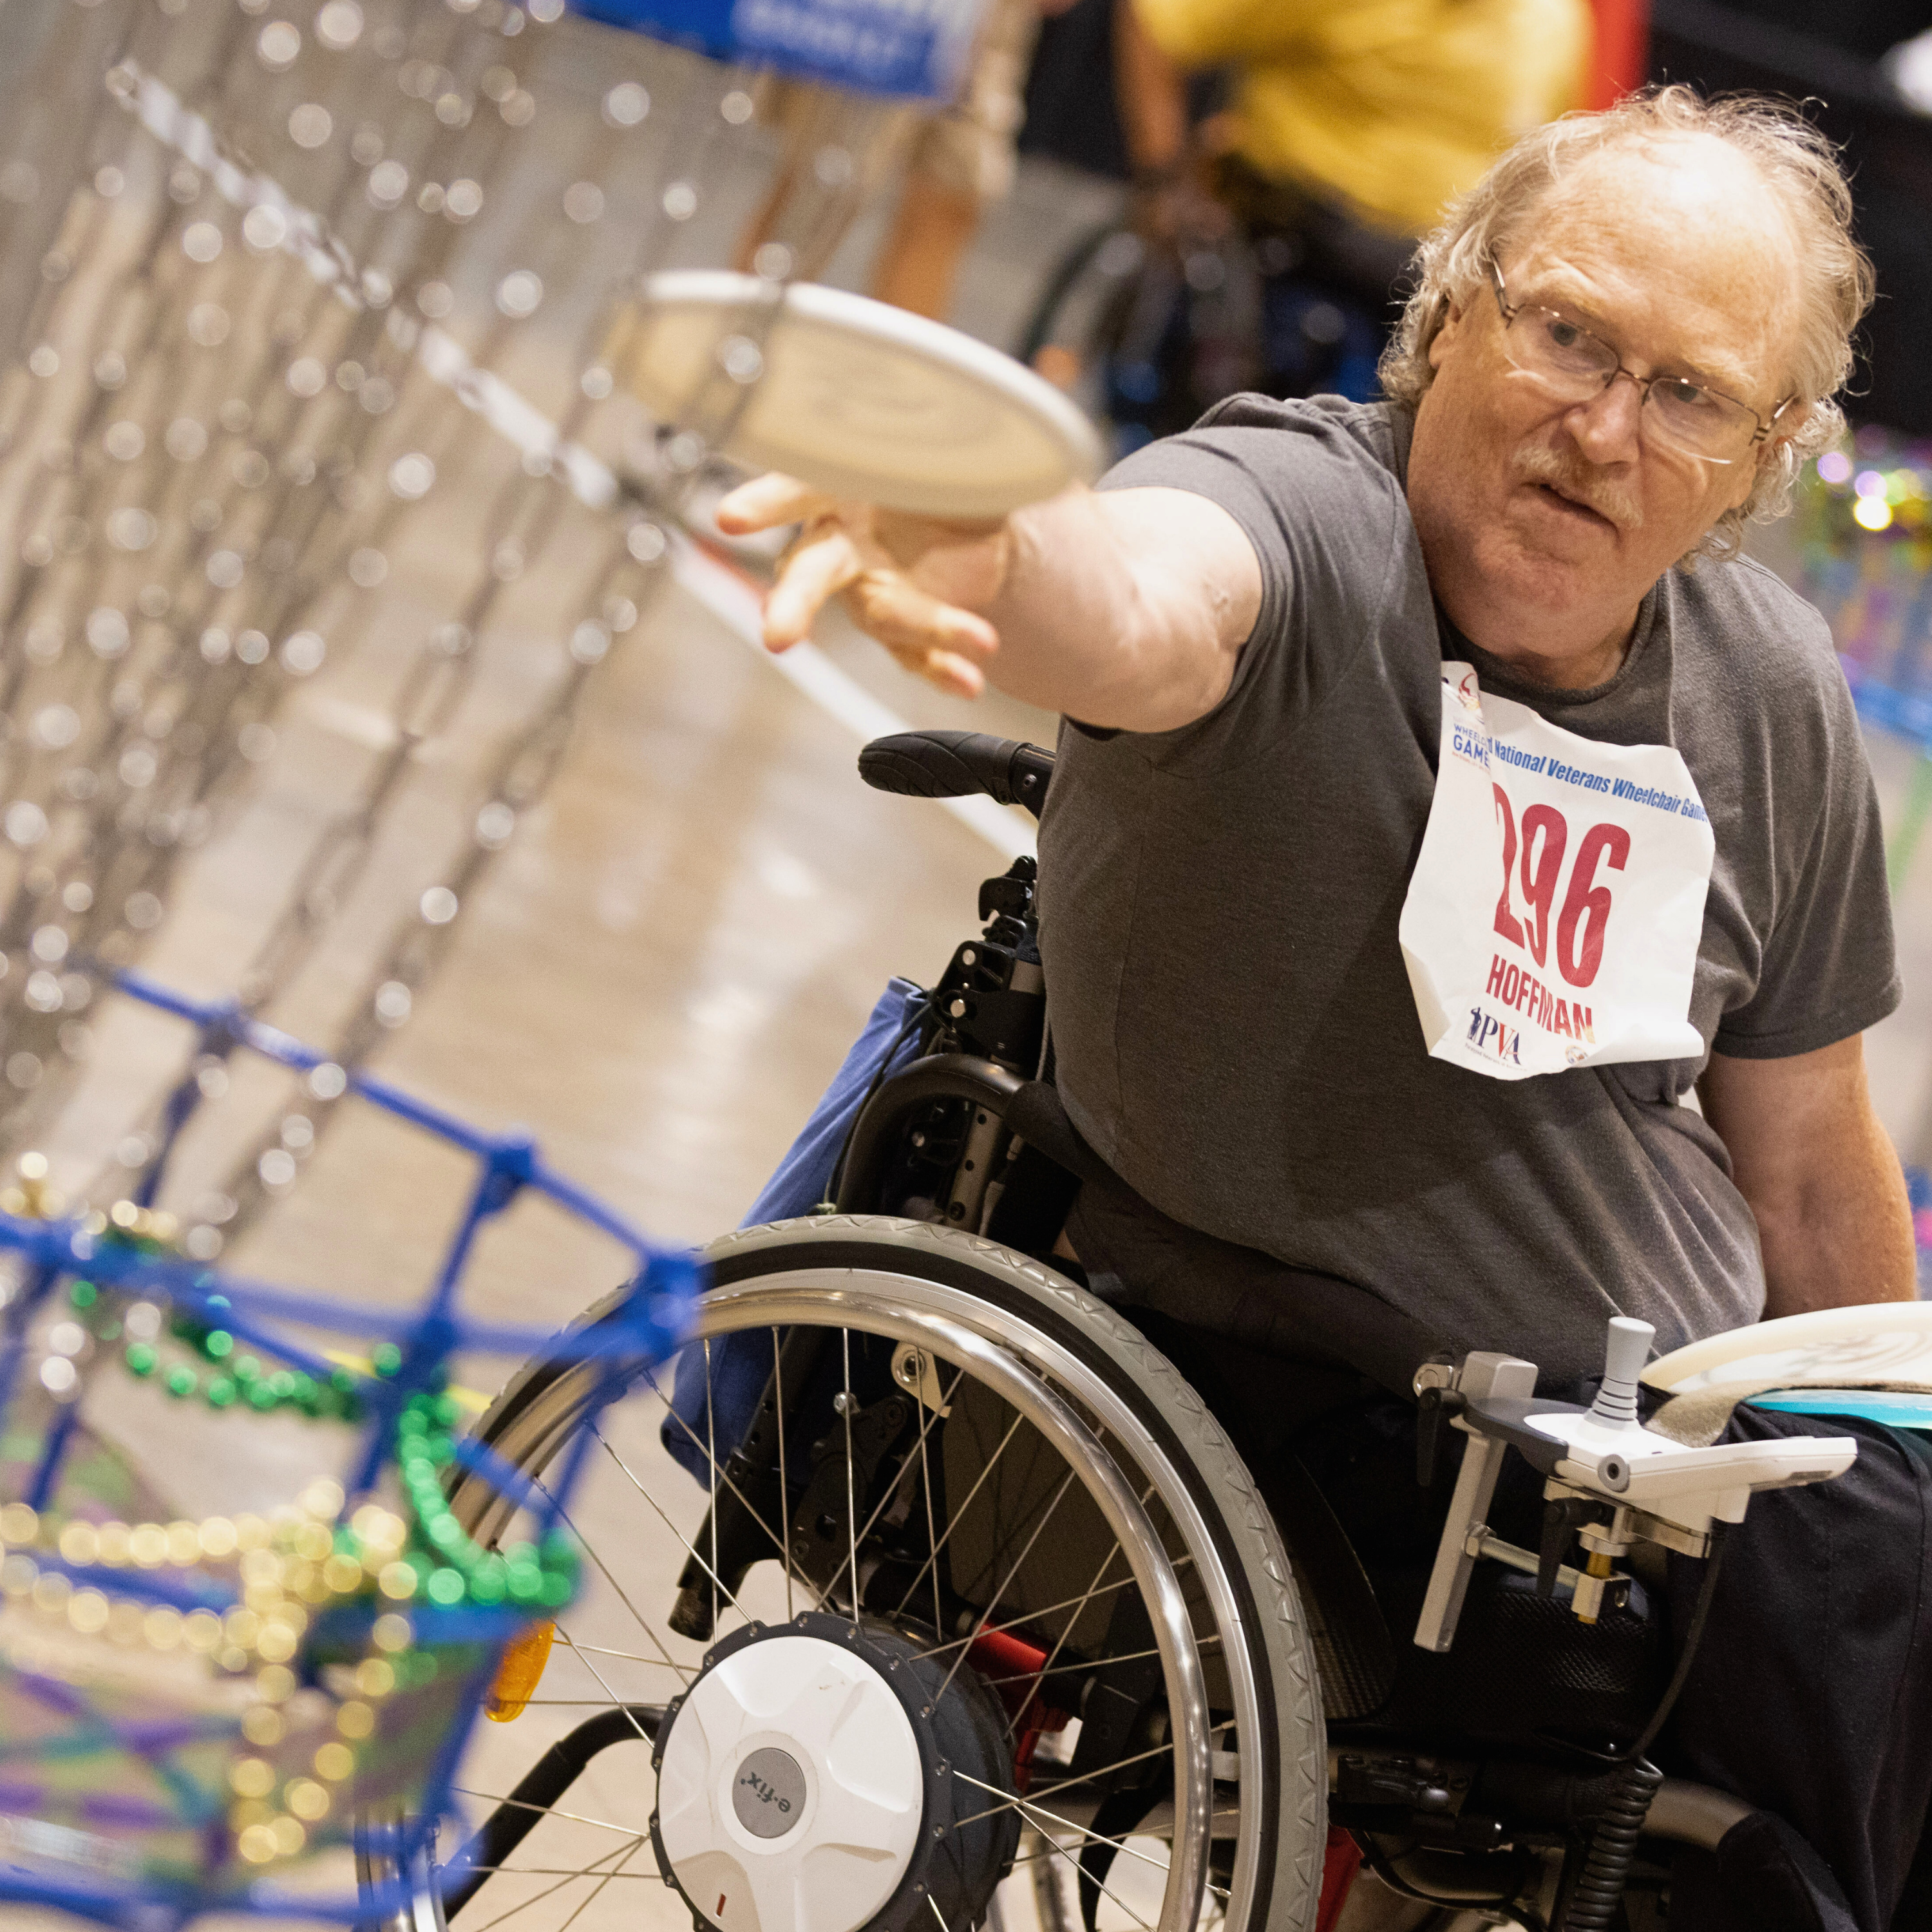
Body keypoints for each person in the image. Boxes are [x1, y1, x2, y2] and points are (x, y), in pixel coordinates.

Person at [717, 88, 1929, 1931]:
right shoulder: (1301, 519)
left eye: (1687, 396)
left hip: (1674, 1469)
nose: (1604, 429)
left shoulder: (1768, 699)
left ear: (1758, 456)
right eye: (1570, 335)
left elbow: (1819, 1192)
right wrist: (979, 566)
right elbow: (1136, 598)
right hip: (1350, 1440)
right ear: (1456, 307)